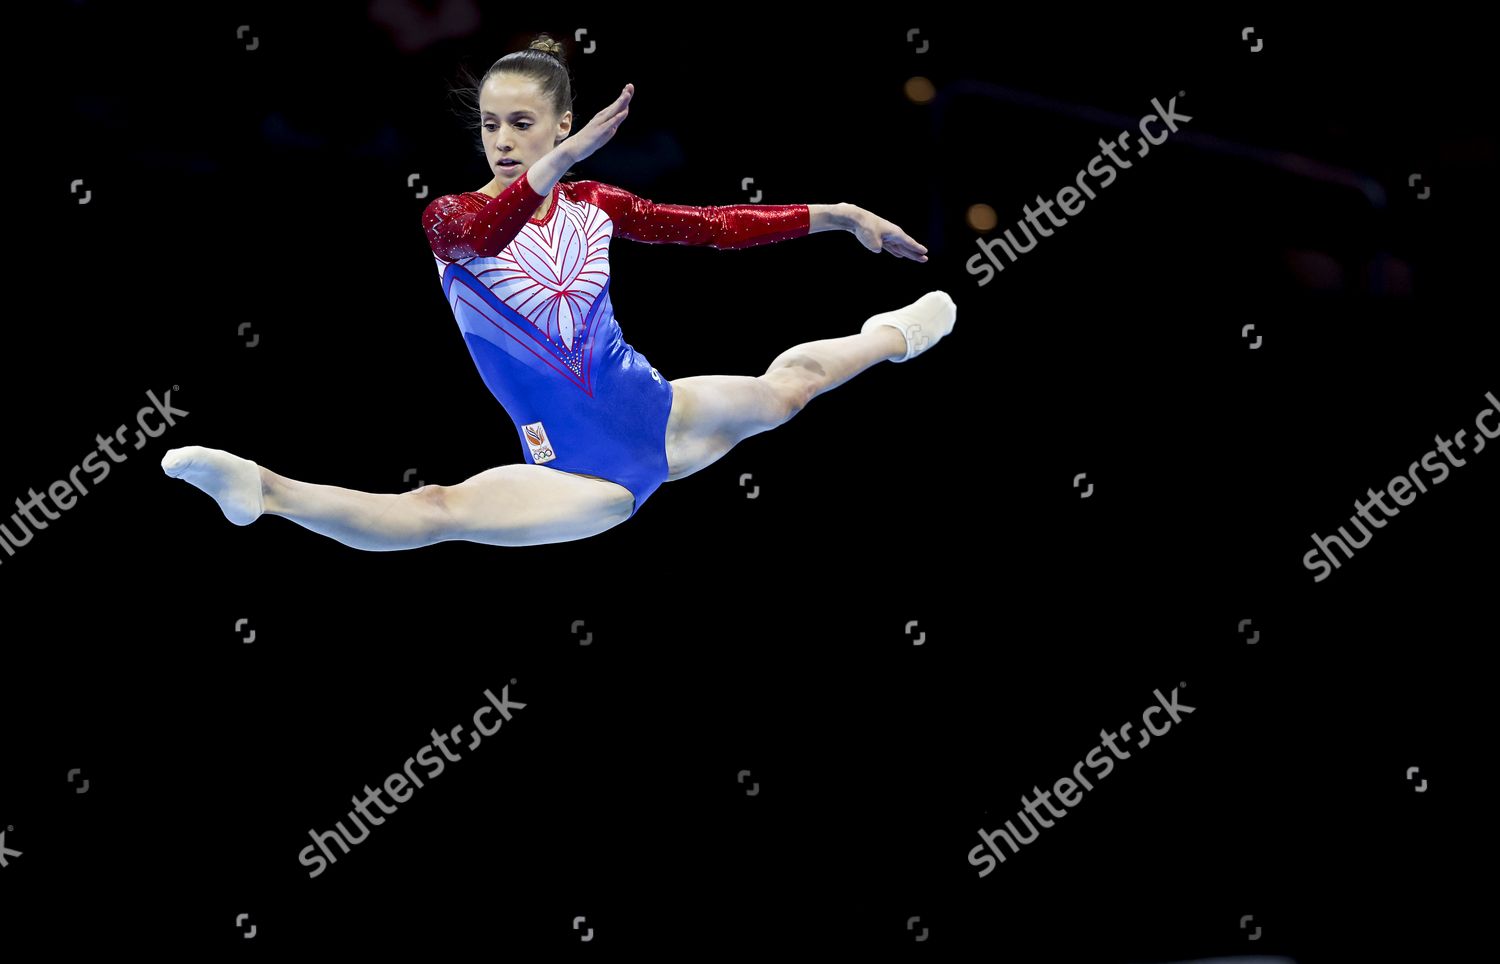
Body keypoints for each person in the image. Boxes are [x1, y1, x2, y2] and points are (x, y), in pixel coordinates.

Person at [161, 33, 956, 550]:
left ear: (562, 121)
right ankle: (262, 490)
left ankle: (897, 335)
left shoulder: (595, 206)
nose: (503, 141)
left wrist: (836, 214)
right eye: (489, 126)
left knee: (792, 389)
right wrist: (562, 158)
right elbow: (491, 230)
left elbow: (712, 226)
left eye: (521, 125)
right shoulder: (450, 219)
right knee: (438, 511)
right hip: (584, 479)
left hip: (660, 413)